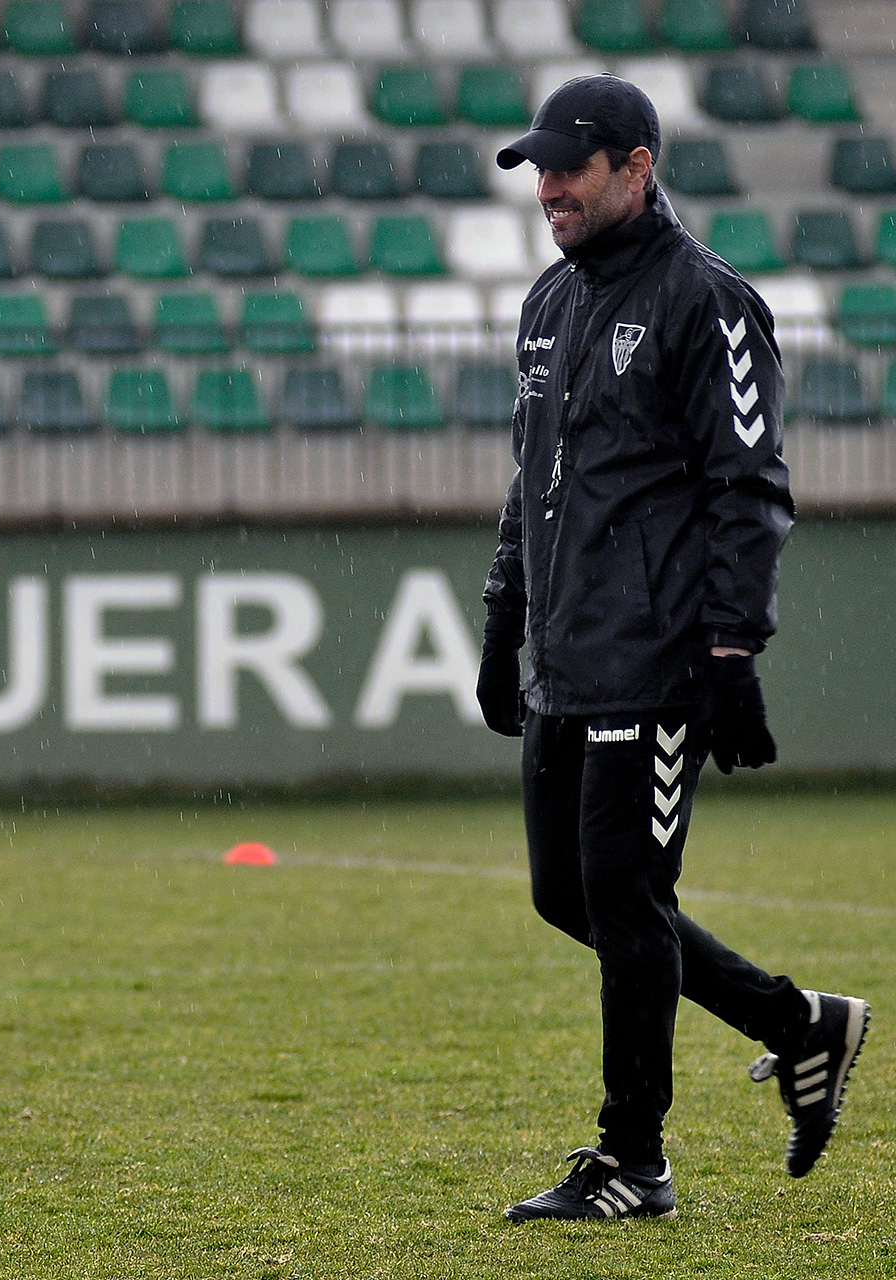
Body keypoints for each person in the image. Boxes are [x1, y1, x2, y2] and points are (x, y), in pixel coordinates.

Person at [479, 74, 870, 1223]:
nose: (547, 185)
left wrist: (732, 649)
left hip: (657, 656)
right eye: (538, 167)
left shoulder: (711, 303)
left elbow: (748, 489)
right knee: (572, 894)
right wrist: (505, 616)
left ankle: (633, 1160)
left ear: (637, 167)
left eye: (569, 166)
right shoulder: (548, 303)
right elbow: (529, 477)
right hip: (565, 648)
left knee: (625, 888)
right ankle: (801, 1024)